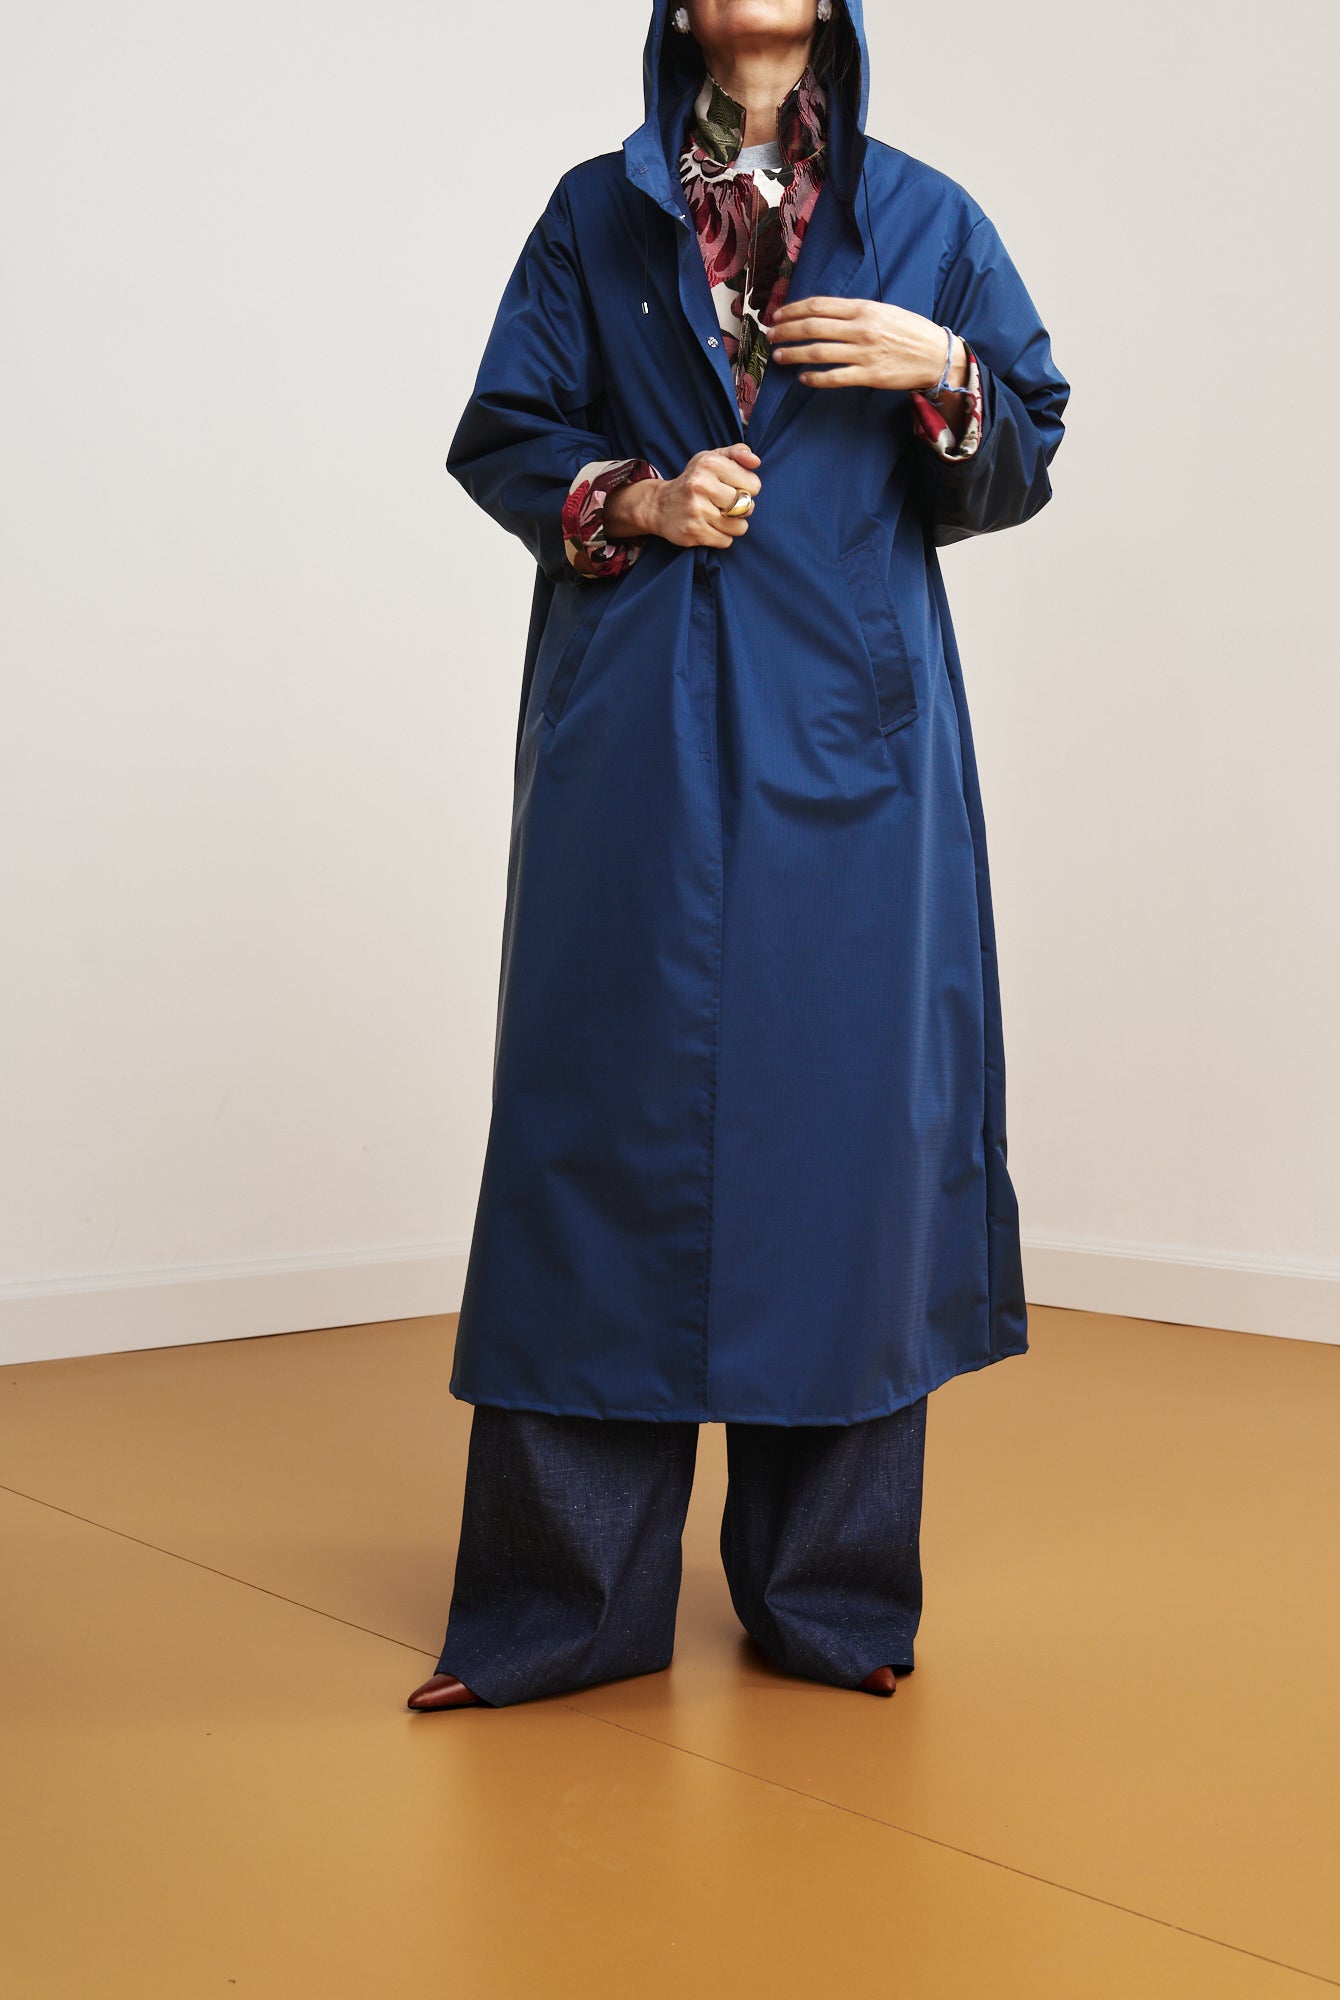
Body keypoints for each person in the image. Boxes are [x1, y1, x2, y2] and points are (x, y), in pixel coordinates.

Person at [408, 0, 1068, 1713]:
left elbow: (1018, 463)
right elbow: (504, 432)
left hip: (852, 732)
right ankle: (561, 1609)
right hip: (635, 722)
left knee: (845, 1150)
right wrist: (636, 498)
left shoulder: (925, 217)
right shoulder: (595, 214)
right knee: (592, 1136)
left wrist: (943, 370)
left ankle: (828, 1600)